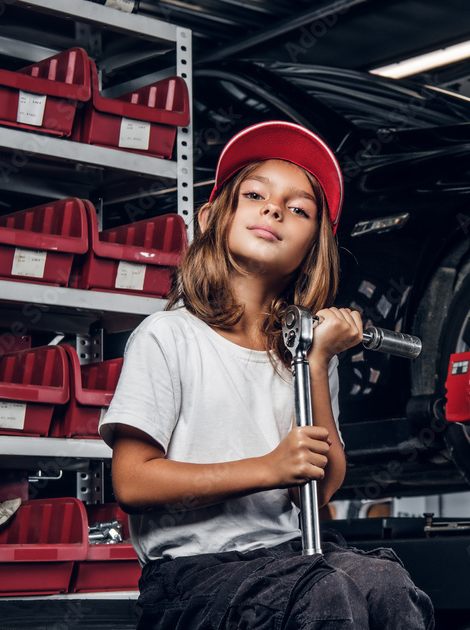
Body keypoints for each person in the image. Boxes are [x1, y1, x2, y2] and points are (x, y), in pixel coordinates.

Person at [98, 121, 434, 629]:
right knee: (326, 594)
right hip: (192, 578)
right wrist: (270, 467)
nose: (274, 209)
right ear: (213, 217)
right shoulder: (168, 336)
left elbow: (321, 487)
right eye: (255, 194)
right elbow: (132, 481)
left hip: (290, 555)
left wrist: (318, 363)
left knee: (386, 586)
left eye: (299, 209)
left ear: (313, 246)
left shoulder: (305, 351)